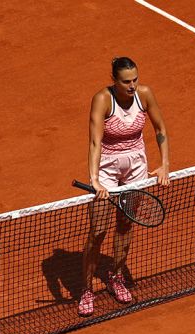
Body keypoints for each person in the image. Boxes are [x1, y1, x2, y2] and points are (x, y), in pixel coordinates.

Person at [78, 56, 170, 317]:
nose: (132, 85)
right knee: (98, 230)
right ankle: (86, 289)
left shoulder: (145, 94)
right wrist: (94, 179)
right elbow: (95, 142)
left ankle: (115, 276)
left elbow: (160, 129)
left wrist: (164, 164)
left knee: (126, 224)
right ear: (114, 80)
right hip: (107, 165)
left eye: (135, 80)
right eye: (126, 81)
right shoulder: (103, 100)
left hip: (137, 164)